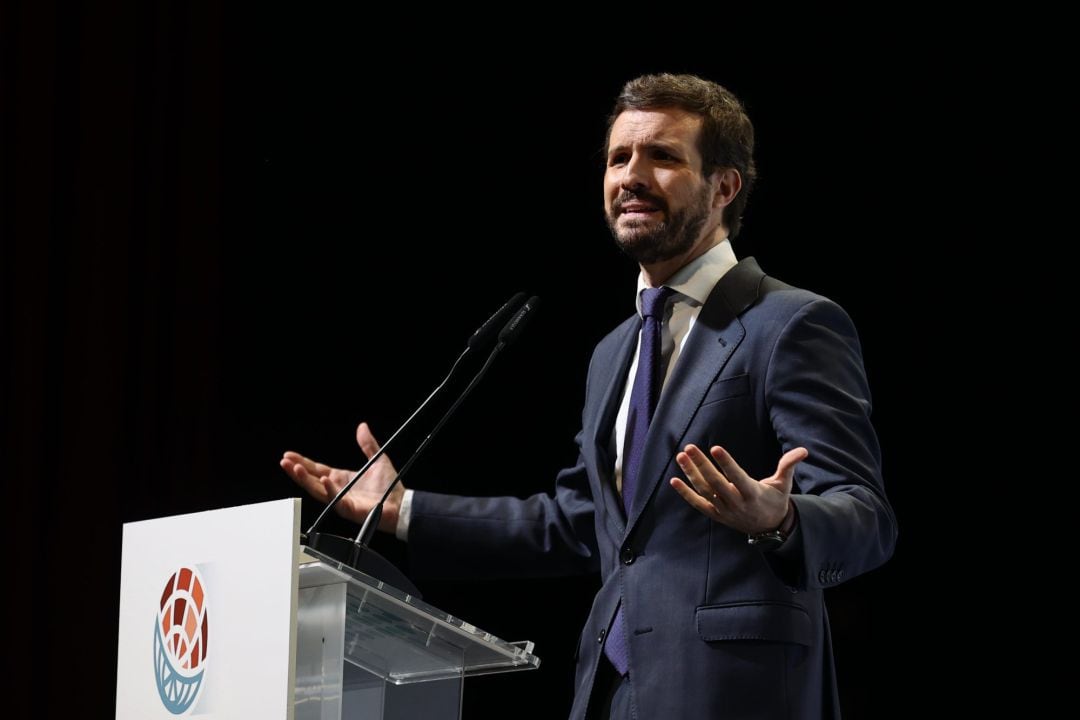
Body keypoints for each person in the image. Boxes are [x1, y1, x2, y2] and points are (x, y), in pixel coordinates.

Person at [281, 73, 896, 719]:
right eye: (617, 158)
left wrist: (783, 519)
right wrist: (405, 510)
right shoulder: (614, 352)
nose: (631, 176)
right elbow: (582, 524)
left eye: (662, 156)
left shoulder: (791, 323)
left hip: (738, 688)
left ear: (724, 186)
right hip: (611, 687)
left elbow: (866, 518)